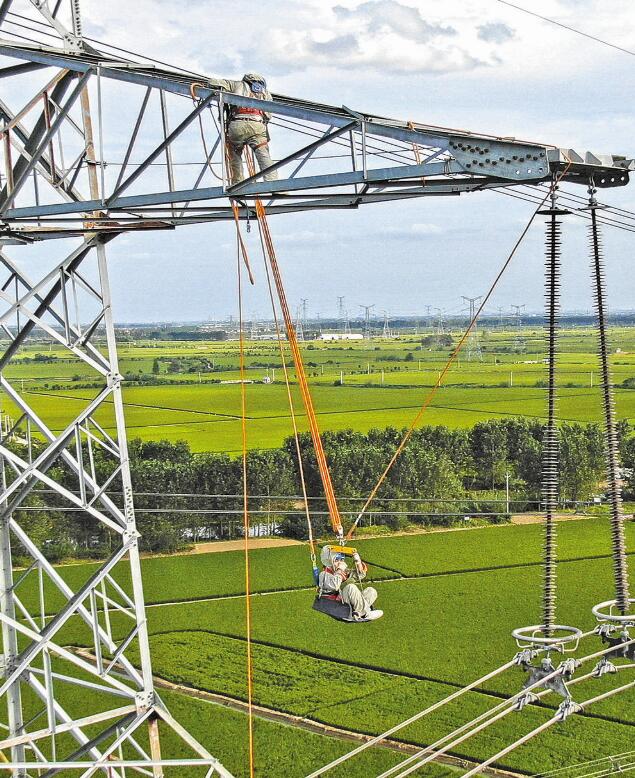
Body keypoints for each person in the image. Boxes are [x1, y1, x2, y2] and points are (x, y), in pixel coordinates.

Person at [205, 72, 277, 185]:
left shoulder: (236, 85)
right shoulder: (265, 93)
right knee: (263, 154)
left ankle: (238, 183)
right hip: (257, 125)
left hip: (237, 124)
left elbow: (212, 82)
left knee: (235, 153)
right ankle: (272, 182)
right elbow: (269, 115)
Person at [318, 546, 383, 621]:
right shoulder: (324, 574)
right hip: (337, 604)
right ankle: (366, 613)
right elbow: (335, 585)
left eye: (341, 560)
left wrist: (358, 562)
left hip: (347, 601)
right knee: (350, 587)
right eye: (336, 560)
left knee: (371, 591)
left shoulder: (343, 572)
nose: (340, 563)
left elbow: (360, 575)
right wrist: (340, 570)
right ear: (329, 562)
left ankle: (359, 613)